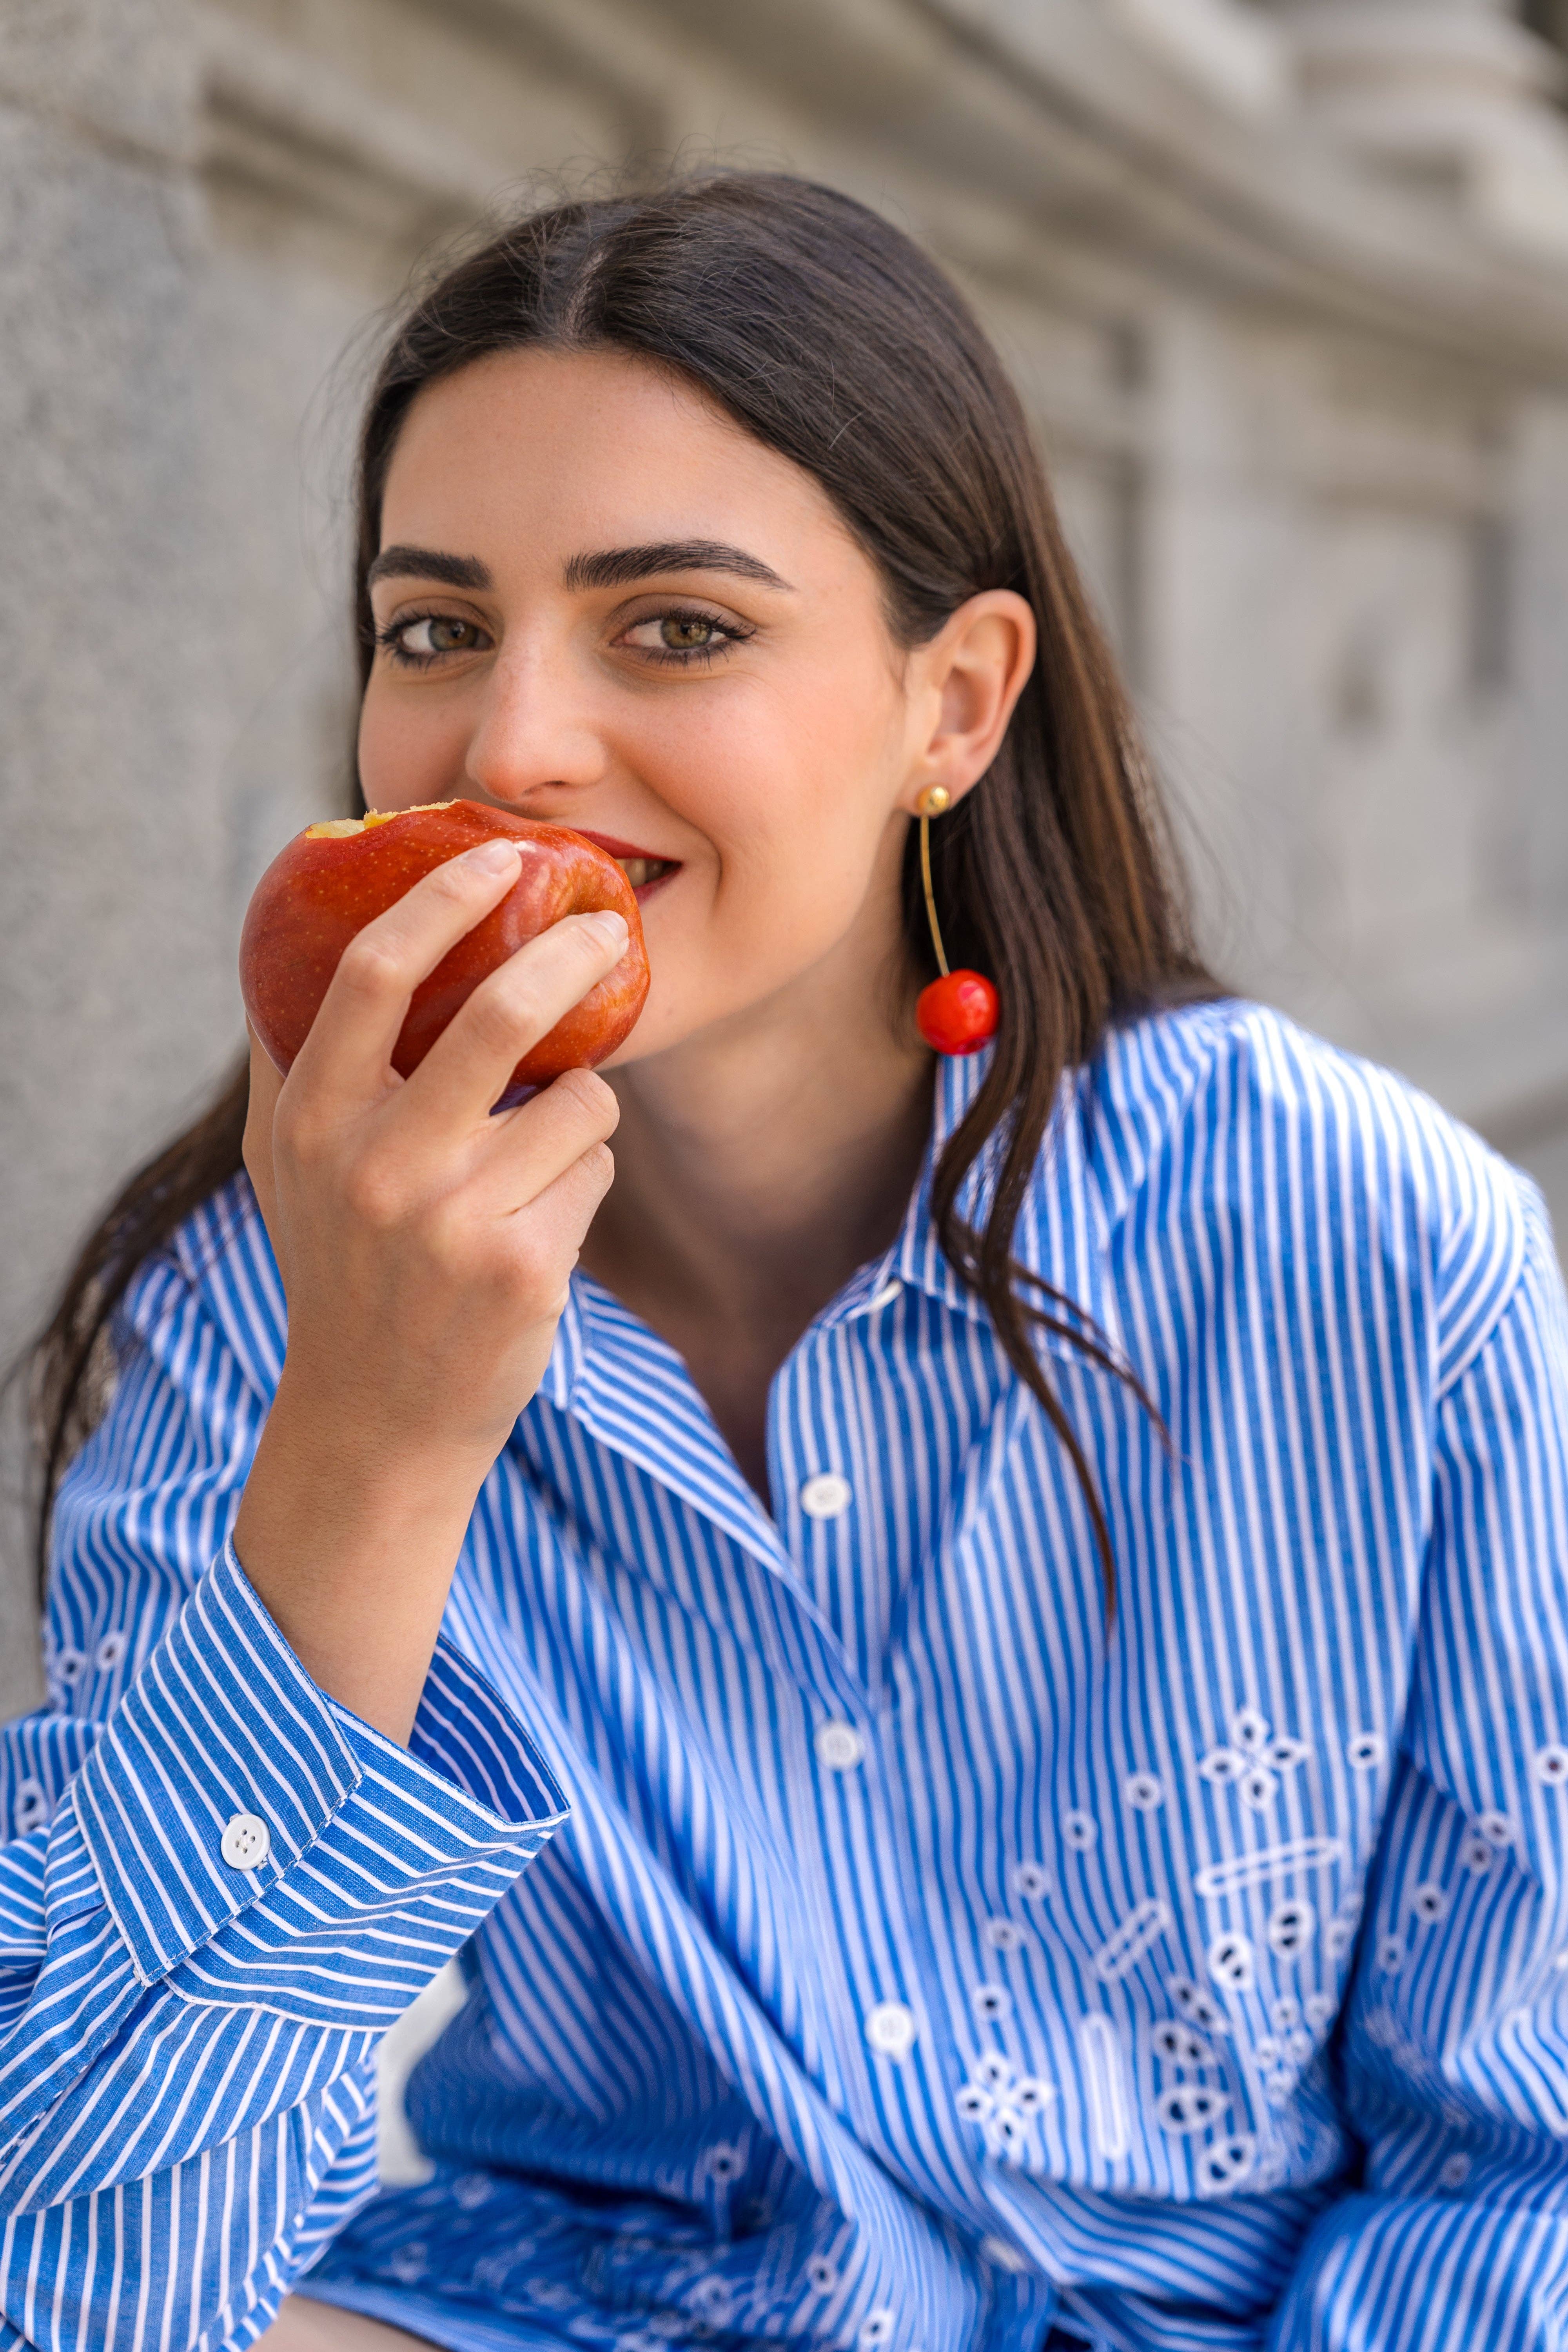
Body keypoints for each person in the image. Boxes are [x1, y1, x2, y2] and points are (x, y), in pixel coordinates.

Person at [11, 172, 1568, 2352]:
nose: (514, 746)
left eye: (677, 627)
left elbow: (1524, 2173)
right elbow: (85, 2275)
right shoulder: (262, 1312)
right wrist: (371, 1444)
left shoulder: (1362, 1247)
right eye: (436, 630)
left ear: (956, 705)